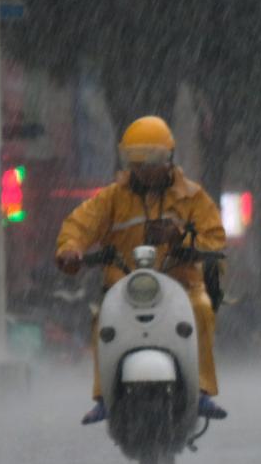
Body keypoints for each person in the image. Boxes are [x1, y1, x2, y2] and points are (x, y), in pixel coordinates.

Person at [55, 115, 229, 424]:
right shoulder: (112, 198)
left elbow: (215, 239)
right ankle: (104, 395)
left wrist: (181, 239)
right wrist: (71, 248)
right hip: (124, 289)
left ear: (169, 159)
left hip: (181, 287)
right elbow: (80, 224)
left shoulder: (193, 197)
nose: (145, 170)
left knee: (201, 309)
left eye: (153, 161)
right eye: (137, 162)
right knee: (102, 321)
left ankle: (201, 389)